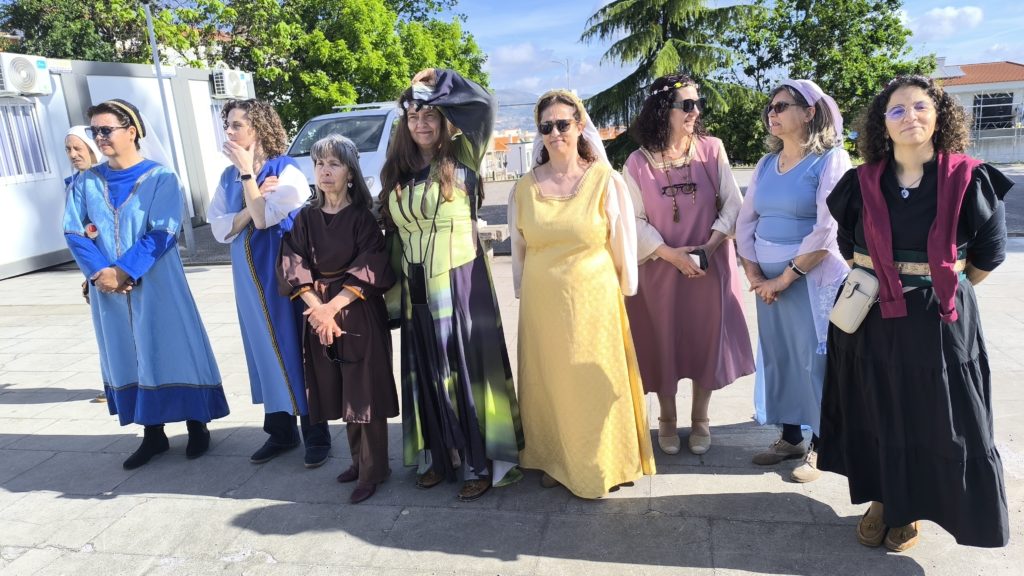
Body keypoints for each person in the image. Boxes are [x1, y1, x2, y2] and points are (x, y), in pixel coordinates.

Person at [817, 75, 1012, 551]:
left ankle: (913, 507)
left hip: (938, 323)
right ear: (882, 124)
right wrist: (886, 277)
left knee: (934, 415)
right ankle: (882, 500)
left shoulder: (970, 178)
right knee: (876, 407)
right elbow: (848, 245)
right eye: (897, 110)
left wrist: (933, 284)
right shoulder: (859, 182)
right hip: (870, 319)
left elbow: (988, 255)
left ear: (939, 116)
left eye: (921, 106)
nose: (910, 117)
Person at [380, 68, 524, 502]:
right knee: (427, 370)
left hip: (460, 282)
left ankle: (479, 463)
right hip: (416, 287)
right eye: (413, 116)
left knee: (463, 370)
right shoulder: (397, 169)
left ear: (445, 119)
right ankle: (439, 457)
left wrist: (441, 78)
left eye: (430, 115)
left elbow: (485, 104)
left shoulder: (464, 154)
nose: (421, 124)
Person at [63, 99, 228, 469]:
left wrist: (123, 271)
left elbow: (163, 232)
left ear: (132, 131)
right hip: (108, 290)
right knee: (127, 352)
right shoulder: (86, 182)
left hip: (158, 283)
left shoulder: (161, 178)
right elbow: (73, 230)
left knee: (173, 346)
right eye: (94, 131)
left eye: (106, 129)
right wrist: (101, 273)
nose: (99, 137)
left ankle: (197, 424)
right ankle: (152, 434)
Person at [509, 89, 655, 499]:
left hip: (594, 300)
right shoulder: (524, 187)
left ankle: (606, 461)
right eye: (546, 126)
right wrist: (523, 291)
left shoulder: (605, 179)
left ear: (579, 126)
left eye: (563, 124)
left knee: (591, 380)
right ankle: (558, 459)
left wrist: (625, 287)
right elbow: (519, 248)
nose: (555, 132)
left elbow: (622, 240)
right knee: (552, 382)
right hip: (543, 303)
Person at [622, 74, 754, 456]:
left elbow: (733, 204)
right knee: (663, 340)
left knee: (705, 340)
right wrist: (671, 254)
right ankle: (666, 418)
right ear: (664, 110)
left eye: (698, 103)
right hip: (659, 269)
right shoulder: (637, 162)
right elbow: (633, 220)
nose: (695, 111)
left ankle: (700, 418)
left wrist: (709, 246)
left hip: (709, 268)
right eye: (687, 105)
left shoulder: (712, 150)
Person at [734, 80, 851, 482]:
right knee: (780, 355)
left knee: (813, 359)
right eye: (770, 106)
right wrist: (753, 273)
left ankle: (821, 445)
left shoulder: (831, 160)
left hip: (810, 280)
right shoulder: (766, 164)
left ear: (809, 112)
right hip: (766, 283)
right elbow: (746, 220)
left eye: (782, 106)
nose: (773, 112)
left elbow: (828, 228)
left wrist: (786, 277)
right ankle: (790, 438)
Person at [207, 99, 331, 468]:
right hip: (247, 277)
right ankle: (280, 431)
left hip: (283, 275)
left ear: (259, 128)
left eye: (236, 125)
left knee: (295, 348)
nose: (229, 131)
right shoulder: (226, 177)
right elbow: (220, 228)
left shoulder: (286, 169)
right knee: (261, 346)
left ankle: (316, 433)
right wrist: (253, 200)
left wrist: (249, 179)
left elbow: (265, 221)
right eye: (228, 124)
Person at [280, 134, 399, 503]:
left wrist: (331, 308)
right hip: (320, 313)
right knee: (342, 387)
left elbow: (372, 266)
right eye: (319, 163)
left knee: (365, 391)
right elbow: (293, 264)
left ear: (350, 173)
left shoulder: (363, 218)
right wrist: (318, 308)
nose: (325, 171)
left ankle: (373, 470)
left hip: (358, 312)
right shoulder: (306, 217)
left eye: (334, 163)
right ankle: (358, 462)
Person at [64, 125, 109, 404]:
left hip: (122, 269)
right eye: (68, 149)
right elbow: (76, 231)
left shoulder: (108, 181)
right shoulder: (76, 184)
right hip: (97, 272)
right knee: (106, 331)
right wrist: (91, 272)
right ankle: (115, 383)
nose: (73, 154)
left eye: (77, 148)